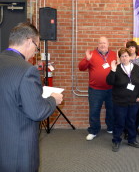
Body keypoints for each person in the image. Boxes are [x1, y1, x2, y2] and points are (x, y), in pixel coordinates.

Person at [0, 22, 63, 172]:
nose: (36, 52)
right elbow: (37, 112)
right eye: (37, 46)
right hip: (18, 148)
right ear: (29, 41)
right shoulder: (27, 70)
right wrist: (53, 99)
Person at [106, 48, 139, 152]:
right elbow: (109, 82)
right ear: (119, 58)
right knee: (119, 122)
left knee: (132, 122)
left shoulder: (136, 68)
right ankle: (116, 140)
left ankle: (132, 140)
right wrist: (113, 70)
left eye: (126, 56)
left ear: (129, 57)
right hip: (119, 101)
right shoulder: (117, 68)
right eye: (122, 56)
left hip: (134, 101)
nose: (124, 58)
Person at [78, 36, 117, 140]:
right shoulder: (91, 54)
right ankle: (93, 131)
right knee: (94, 111)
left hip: (111, 89)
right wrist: (87, 59)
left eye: (104, 43)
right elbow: (81, 67)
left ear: (108, 44)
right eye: (100, 43)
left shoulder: (113, 54)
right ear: (97, 45)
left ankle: (111, 127)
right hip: (95, 89)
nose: (103, 45)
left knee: (111, 109)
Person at [125, 40, 139, 137]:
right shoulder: (125, 59)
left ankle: (135, 129)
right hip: (126, 88)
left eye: (132, 47)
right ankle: (126, 130)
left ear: (136, 48)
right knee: (127, 110)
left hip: (137, 89)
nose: (131, 49)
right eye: (129, 47)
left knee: (137, 110)